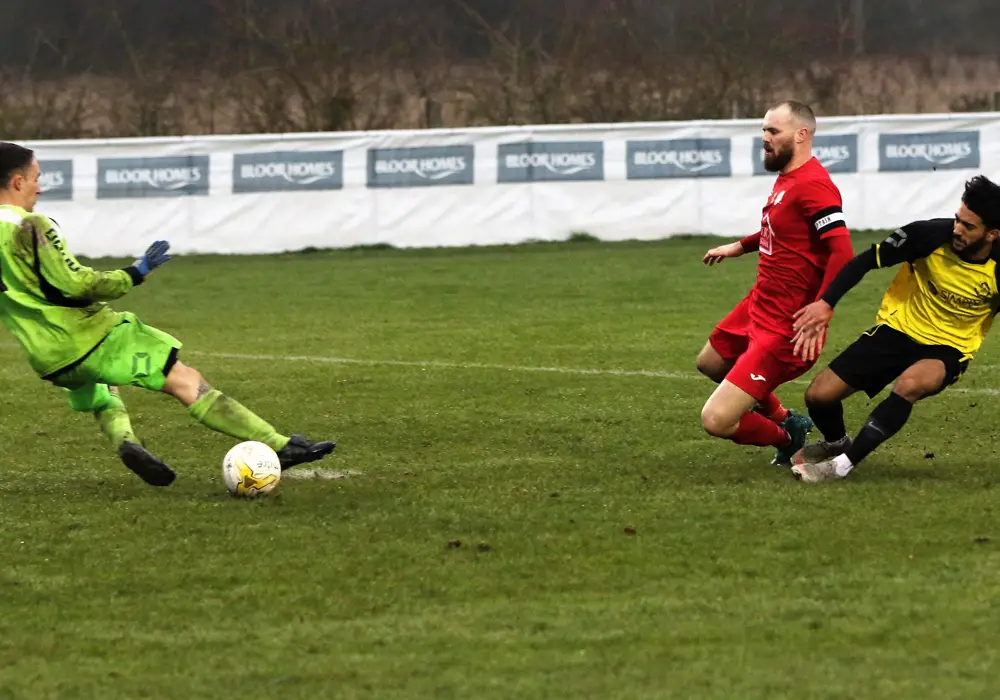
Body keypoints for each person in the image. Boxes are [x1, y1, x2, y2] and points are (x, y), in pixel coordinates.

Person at [0, 141, 335, 487]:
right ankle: (280, 446)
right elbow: (78, 284)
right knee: (185, 379)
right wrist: (135, 272)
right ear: (17, 182)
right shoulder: (31, 225)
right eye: (36, 178)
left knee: (102, 391)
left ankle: (126, 442)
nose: (40, 186)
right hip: (86, 334)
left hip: (45, 355)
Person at [787, 175, 1000, 483]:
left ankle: (841, 466)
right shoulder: (926, 235)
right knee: (819, 396)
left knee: (910, 384)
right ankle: (837, 443)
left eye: (968, 226)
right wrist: (826, 303)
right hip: (897, 330)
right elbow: (864, 262)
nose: (957, 229)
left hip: (950, 347)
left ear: (992, 234)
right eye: (957, 219)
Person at [697, 101, 855, 465]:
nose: (764, 138)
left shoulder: (815, 186)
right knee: (711, 363)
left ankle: (787, 437)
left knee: (717, 419)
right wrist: (740, 246)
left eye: (773, 131)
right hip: (759, 304)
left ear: (801, 135)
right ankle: (785, 417)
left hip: (785, 327)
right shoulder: (788, 179)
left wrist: (824, 307)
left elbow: (842, 252)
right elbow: (781, 230)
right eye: (763, 131)